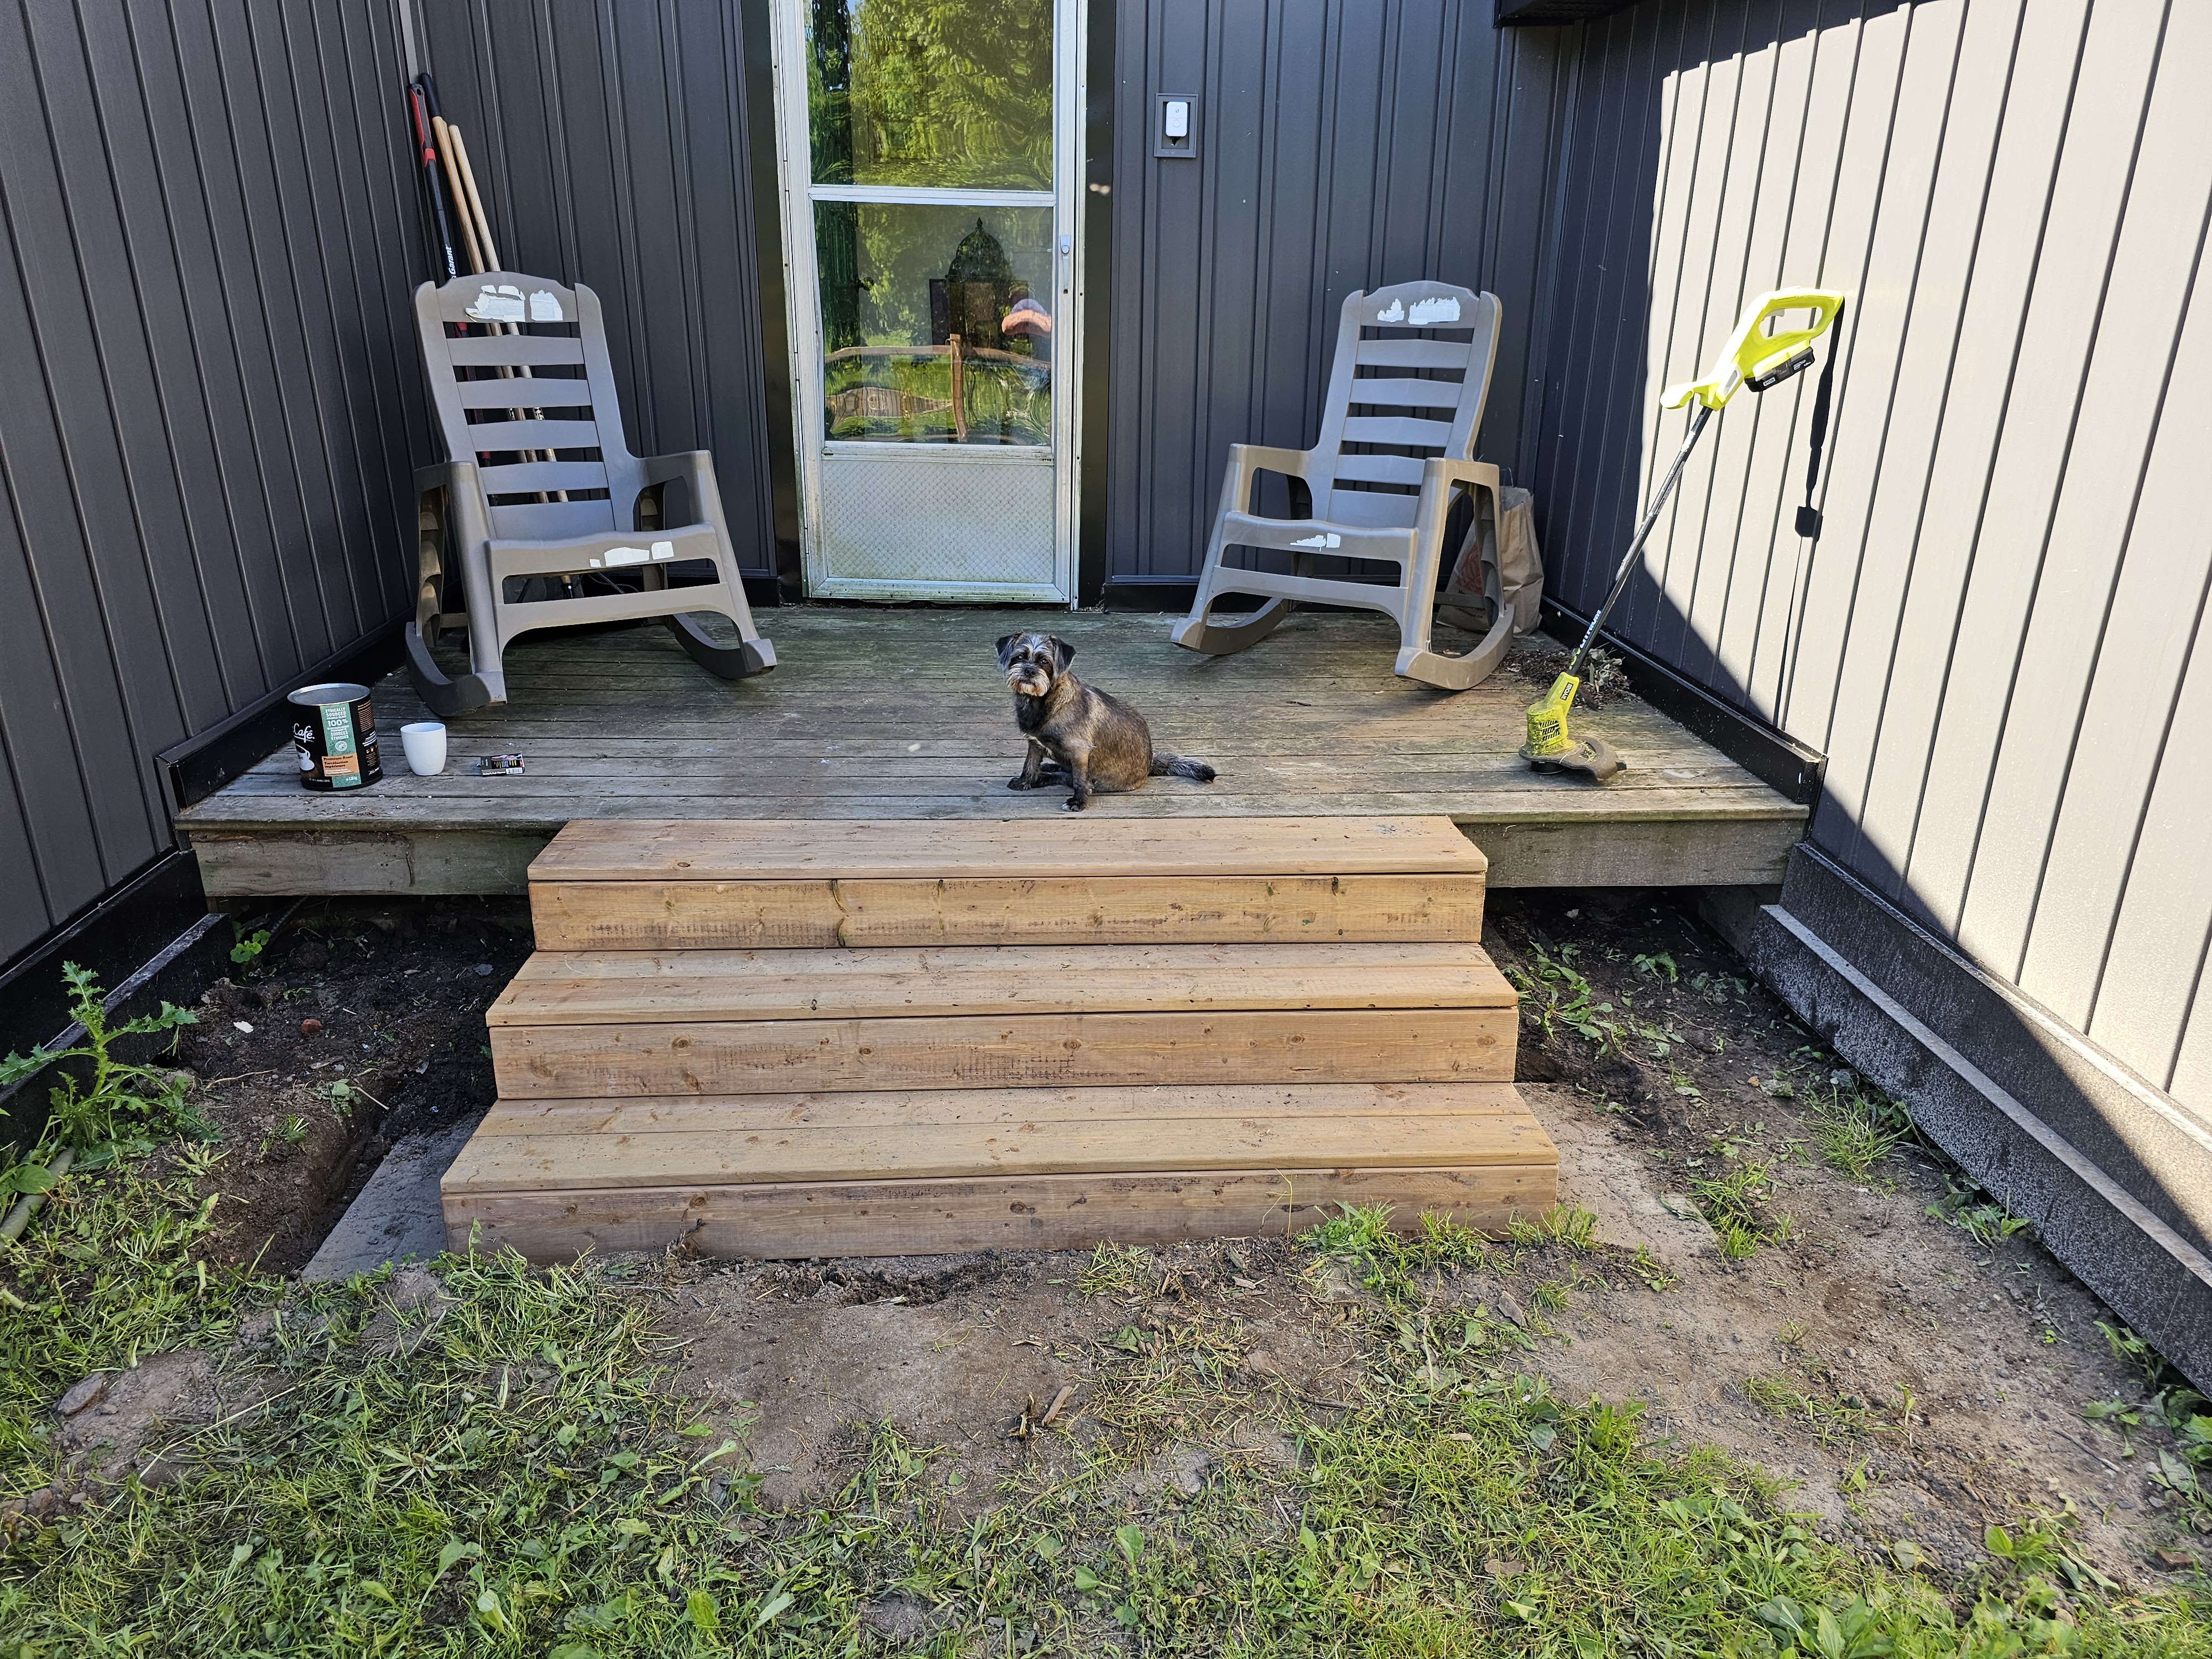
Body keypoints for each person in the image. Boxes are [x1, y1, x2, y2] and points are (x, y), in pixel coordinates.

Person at [1000, 283, 1053, 363]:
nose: (1021, 300)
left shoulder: (1040, 314)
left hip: (1038, 360)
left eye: (1024, 297)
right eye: (1017, 297)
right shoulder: (1008, 319)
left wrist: (1032, 316)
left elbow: (1050, 331)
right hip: (1012, 360)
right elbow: (1005, 327)